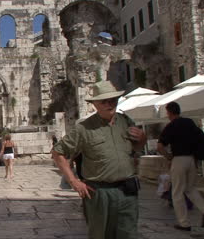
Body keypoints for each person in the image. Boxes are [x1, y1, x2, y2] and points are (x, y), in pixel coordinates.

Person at [52, 80, 147, 239]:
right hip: (100, 193)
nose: (110, 104)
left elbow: (135, 148)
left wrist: (143, 138)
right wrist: (74, 181)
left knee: (130, 233)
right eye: (105, 101)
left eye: (113, 100)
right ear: (95, 104)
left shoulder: (126, 121)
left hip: (128, 191)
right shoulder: (84, 128)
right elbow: (57, 152)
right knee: (100, 234)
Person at [156, 101, 204, 231]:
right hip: (191, 160)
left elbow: (159, 146)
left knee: (177, 192)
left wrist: (168, 156)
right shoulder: (189, 123)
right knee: (190, 188)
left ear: (170, 112)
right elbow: (203, 139)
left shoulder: (171, 126)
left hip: (179, 160)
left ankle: (184, 223)